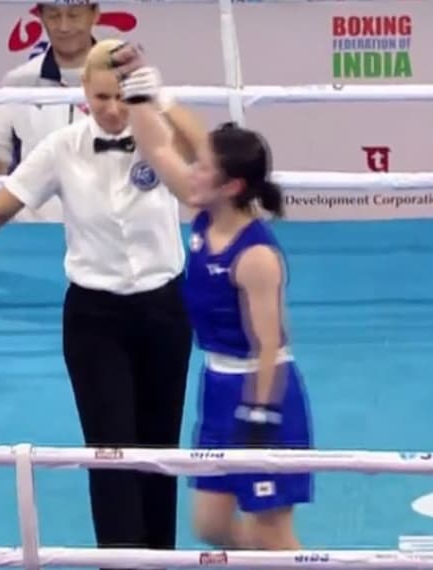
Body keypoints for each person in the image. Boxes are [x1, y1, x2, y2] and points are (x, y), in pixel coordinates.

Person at [0, 39, 198, 559]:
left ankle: (161, 557)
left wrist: (165, 101)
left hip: (164, 311)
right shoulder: (61, 147)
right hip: (95, 320)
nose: (112, 109)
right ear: (85, 92)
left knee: (159, 451)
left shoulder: (158, 137)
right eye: (102, 96)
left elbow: (209, 163)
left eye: (121, 96)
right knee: (110, 452)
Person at [112, 44, 313, 549]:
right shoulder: (205, 211)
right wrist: (138, 87)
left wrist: (260, 414)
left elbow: (268, 344)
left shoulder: (256, 257)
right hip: (216, 385)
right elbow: (159, 149)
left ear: (233, 185)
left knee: (272, 531)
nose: (191, 171)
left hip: (264, 394)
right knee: (211, 526)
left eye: (203, 168)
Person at [0, 3, 101, 222]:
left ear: (94, 14)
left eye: (74, 15)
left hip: (108, 229)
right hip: (33, 227)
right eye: (54, 16)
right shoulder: (19, 80)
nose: (64, 27)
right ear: (40, 16)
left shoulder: (122, 76)